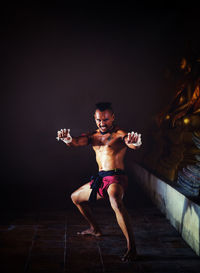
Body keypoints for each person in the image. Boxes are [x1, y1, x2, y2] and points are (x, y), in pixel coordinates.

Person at [57, 102, 142, 262]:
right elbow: (76, 141)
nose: (102, 123)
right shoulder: (93, 136)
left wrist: (135, 143)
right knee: (75, 198)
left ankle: (132, 248)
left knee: (116, 202)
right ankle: (95, 229)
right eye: (99, 120)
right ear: (94, 119)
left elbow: (130, 143)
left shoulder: (119, 134)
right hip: (100, 179)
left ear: (113, 118)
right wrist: (67, 139)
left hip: (116, 178)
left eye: (106, 120)